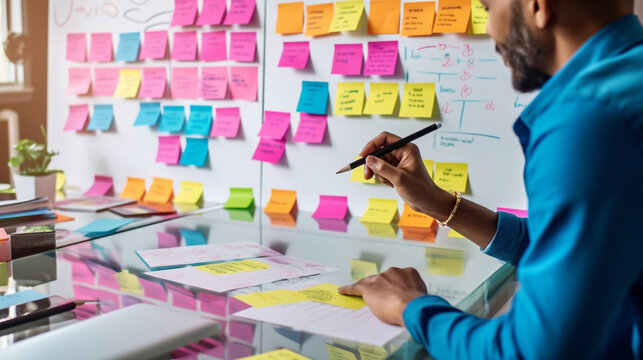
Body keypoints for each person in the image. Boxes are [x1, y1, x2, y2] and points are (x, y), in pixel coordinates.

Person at [338, 0, 643, 358]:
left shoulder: (587, 119)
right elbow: (578, 247)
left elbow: (529, 352)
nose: (488, 30)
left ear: (538, 6)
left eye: (487, 8)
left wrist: (410, 306)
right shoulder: (628, 80)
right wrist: (435, 201)